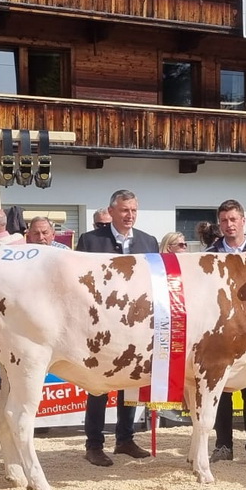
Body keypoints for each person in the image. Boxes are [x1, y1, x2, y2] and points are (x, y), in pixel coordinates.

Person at [75, 189, 157, 466]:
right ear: (111, 212)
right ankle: (94, 444)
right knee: (98, 386)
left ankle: (125, 438)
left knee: (130, 385)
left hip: (136, 328)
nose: (130, 215)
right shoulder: (90, 240)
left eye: (133, 210)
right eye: (124, 210)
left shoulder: (149, 241)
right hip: (100, 328)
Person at [206, 199, 246, 467]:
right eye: (224, 221)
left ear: (243, 220)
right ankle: (223, 445)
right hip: (221, 330)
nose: (229, 225)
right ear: (219, 224)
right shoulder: (210, 253)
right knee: (221, 390)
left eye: (233, 219)